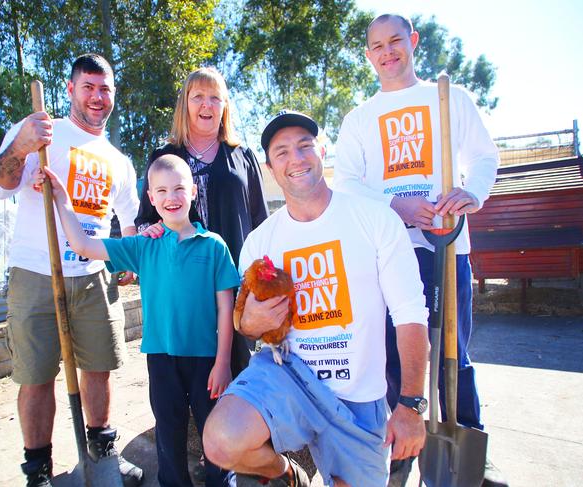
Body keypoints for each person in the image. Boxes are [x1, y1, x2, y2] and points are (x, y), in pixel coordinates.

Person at [202, 110, 430, 487]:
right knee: (221, 441)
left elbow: (410, 315)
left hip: (358, 398)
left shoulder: (374, 219)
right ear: (270, 168)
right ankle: (287, 476)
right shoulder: (260, 241)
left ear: (322, 151)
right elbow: (245, 319)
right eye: (282, 152)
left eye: (305, 146)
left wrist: (410, 405)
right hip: (287, 375)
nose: (296, 158)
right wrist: (250, 324)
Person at [333, 14, 506, 487]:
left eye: (395, 41)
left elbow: (486, 157)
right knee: (394, 354)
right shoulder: (360, 118)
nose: (387, 52)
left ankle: (469, 445)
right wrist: (398, 205)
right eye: (376, 46)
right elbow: (345, 182)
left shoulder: (448, 99)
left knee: (455, 352)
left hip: (448, 249)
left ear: (413, 42)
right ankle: (401, 450)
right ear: (368, 55)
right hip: (388, 252)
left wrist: (473, 193)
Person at [0, 54, 143, 487]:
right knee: (35, 377)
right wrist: (20, 147)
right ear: (70, 90)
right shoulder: (41, 133)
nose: (97, 96)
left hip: (93, 275)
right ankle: (39, 474)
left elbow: (128, 217)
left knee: (99, 368)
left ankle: (103, 457)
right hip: (36, 272)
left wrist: (127, 258)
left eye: (104, 88)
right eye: (87, 86)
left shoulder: (117, 160)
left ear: (113, 95)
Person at [42, 153, 239, 487]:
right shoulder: (143, 247)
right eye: (160, 191)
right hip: (161, 359)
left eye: (178, 189)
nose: (170, 198)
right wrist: (62, 201)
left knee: (214, 431)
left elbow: (225, 309)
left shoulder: (215, 246)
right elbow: (82, 244)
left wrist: (223, 363)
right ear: (151, 198)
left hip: (207, 359)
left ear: (193, 192)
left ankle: (222, 481)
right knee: (169, 430)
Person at [136, 66, 269, 378]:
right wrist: (148, 232)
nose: (207, 105)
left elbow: (261, 220)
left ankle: (238, 419)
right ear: (185, 104)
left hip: (235, 276)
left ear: (224, 107)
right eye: (198, 97)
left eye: (215, 98)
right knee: (186, 370)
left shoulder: (242, 155)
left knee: (238, 362)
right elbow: (145, 219)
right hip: (181, 282)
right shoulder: (164, 156)